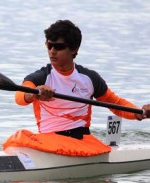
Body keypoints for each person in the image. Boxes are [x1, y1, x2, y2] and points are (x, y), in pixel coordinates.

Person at [12, 20, 150, 141]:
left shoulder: (90, 78)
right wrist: (34, 94)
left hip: (83, 141)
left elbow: (116, 104)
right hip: (50, 140)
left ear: (74, 49)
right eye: (49, 46)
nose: (52, 51)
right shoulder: (40, 77)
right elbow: (19, 96)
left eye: (59, 47)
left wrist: (139, 113)